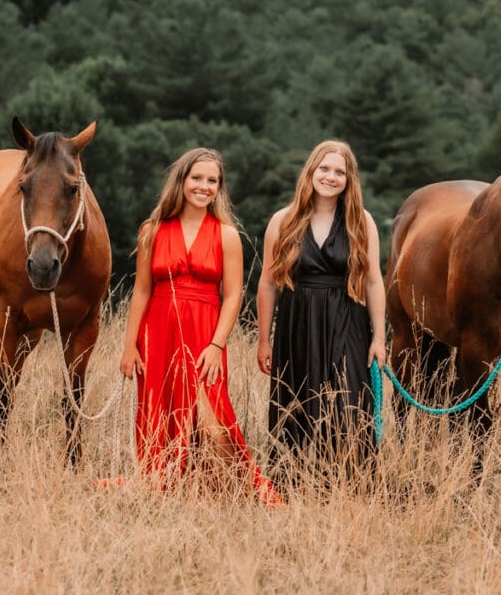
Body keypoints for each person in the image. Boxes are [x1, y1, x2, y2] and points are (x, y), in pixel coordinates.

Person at [117, 148, 282, 506]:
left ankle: (233, 489)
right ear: (181, 180)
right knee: (156, 409)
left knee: (212, 416)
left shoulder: (226, 234)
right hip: (158, 329)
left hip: (206, 332)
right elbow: (142, 290)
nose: (204, 186)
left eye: (212, 180)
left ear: (219, 187)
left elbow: (234, 296)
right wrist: (130, 345)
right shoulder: (153, 229)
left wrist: (217, 345)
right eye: (197, 178)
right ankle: (160, 482)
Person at [256, 140, 386, 486]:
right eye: (324, 169)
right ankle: (291, 482)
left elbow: (373, 281)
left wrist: (379, 338)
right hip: (297, 319)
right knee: (295, 401)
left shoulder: (362, 221)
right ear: (311, 171)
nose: (330, 177)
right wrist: (263, 339)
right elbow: (268, 283)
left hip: (348, 317)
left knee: (347, 402)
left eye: (339, 171)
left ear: (349, 178)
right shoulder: (283, 220)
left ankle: (348, 484)